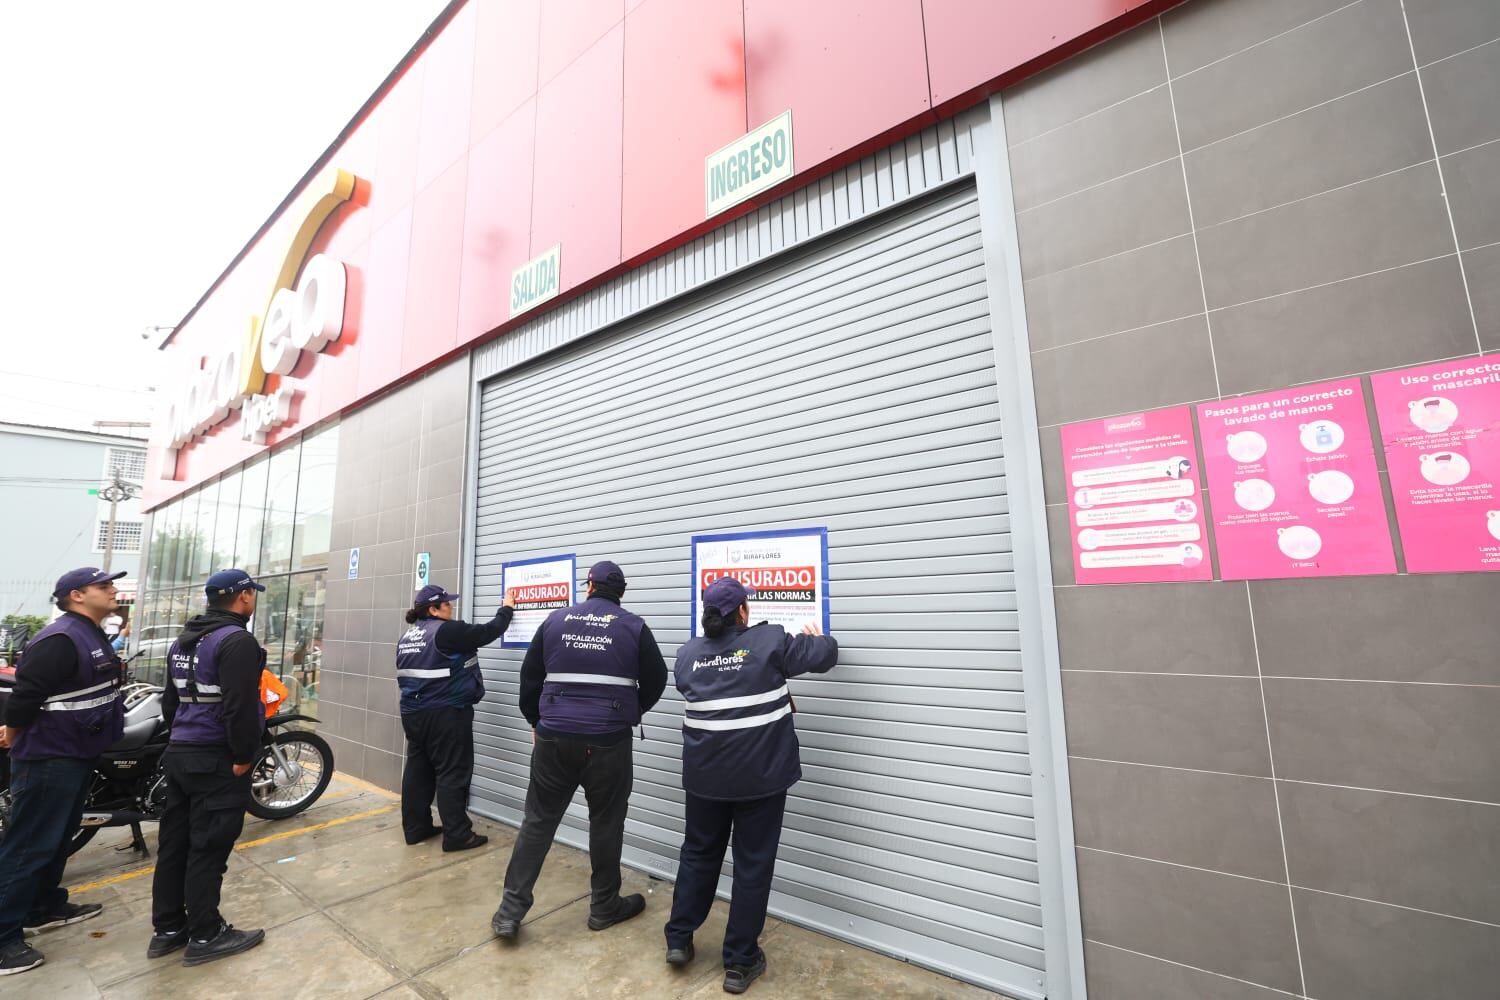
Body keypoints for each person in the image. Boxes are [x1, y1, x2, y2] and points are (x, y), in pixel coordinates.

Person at [663, 577, 837, 995]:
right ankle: (740, 962)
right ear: (743, 610)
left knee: (699, 855)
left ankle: (679, 940)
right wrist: (818, 638)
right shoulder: (771, 642)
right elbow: (826, 655)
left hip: (705, 781)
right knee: (752, 865)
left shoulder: (687, 656)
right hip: (759, 780)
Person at [490, 560, 668, 942]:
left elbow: (530, 677)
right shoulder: (634, 627)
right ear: (621, 591)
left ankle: (509, 912)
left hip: (554, 738)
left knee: (538, 821)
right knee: (606, 822)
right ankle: (604, 907)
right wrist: (629, 711)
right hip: (608, 742)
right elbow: (657, 679)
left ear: (589, 586)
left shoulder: (555, 621)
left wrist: (536, 721)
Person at [0, 568, 127, 976]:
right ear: (76, 595)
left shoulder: (89, 631)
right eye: (104, 586)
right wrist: (13, 735)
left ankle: (44, 907)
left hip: (75, 752)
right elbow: (23, 700)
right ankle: (3, 938)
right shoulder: (59, 639)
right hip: (48, 757)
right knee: (29, 844)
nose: (113, 590)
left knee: (57, 839)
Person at [147, 569, 268, 967]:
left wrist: (179, 741)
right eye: (252, 593)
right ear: (244, 597)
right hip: (215, 757)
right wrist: (242, 756)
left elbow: (171, 702)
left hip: (182, 752)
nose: (253, 599)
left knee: (176, 844)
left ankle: (168, 929)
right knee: (209, 846)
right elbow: (239, 707)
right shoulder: (237, 641)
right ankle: (205, 932)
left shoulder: (185, 639)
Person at [396, 583, 513, 851]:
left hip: (413, 714)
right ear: (433, 609)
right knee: (452, 771)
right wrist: (507, 608)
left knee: (418, 769)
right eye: (447, 604)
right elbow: (487, 632)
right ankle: (457, 834)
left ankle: (416, 828)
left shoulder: (408, 637)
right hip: (446, 712)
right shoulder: (446, 631)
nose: (451, 607)